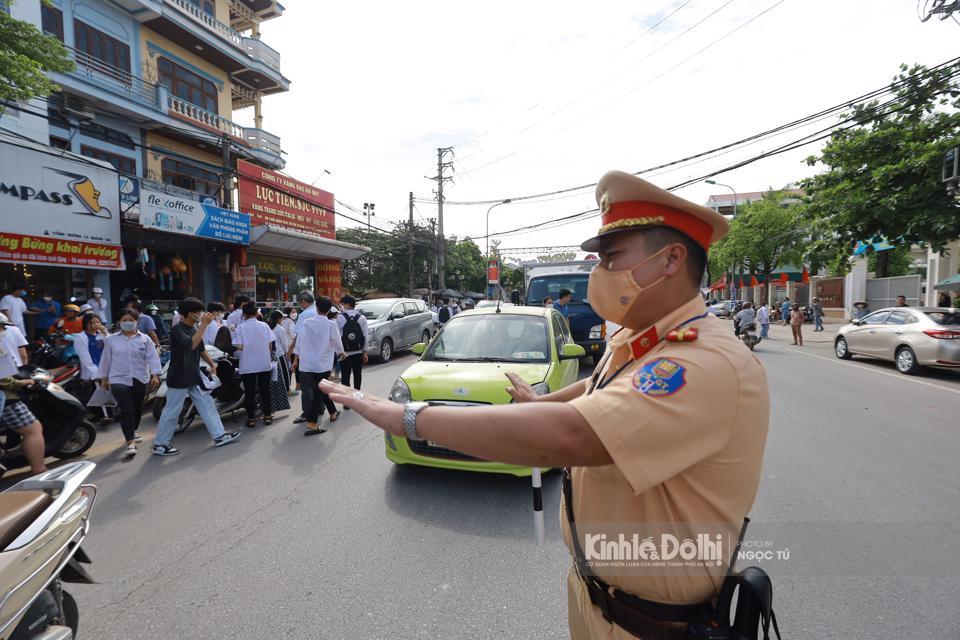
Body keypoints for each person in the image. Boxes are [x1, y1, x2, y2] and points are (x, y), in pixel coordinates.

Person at [320, 170, 769, 639]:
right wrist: (542, 401)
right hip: (600, 598)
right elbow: (599, 384)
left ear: (672, 259)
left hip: (655, 624)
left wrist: (406, 417)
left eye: (612, 257)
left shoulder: (702, 360)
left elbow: (571, 434)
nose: (599, 272)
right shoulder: (643, 342)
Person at [153, 298, 241, 456]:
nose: (202, 314)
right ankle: (160, 444)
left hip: (193, 375)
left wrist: (212, 363)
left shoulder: (193, 328)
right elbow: (191, 344)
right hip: (179, 377)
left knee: (208, 406)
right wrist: (204, 326)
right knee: (172, 411)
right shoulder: (178, 330)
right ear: (190, 314)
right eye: (199, 312)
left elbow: (200, 348)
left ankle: (219, 435)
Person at [97, 309, 162, 456]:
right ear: (119, 322)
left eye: (130, 320)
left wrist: (155, 375)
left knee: (137, 407)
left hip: (140, 378)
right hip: (118, 379)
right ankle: (130, 443)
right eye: (124, 320)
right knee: (127, 410)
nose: (127, 323)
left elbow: (152, 358)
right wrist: (103, 378)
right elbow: (105, 359)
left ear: (137, 322)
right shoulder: (111, 339)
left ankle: (133, 431)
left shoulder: (145, 339)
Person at [0, 313, 47, 474]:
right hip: (6, 397)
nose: (3, 331)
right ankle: (39, 470)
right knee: (32, 429)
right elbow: (3, 378)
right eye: (2, 327)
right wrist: (20, 382)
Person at [292, 296, 343, 436]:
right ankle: (312, 422)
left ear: (317, 308)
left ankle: (332, 412)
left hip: (307, 363)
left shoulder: (306, 323)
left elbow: (299, 342)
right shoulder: (331, 324)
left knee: (320, 389)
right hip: (322, 364)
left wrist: (296, 358)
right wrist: (342, 352)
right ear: (328, 310)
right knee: (319, 392)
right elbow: (337, 341)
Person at [232, 301, 276, 428]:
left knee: (249, 392)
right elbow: (270, 346)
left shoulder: (240, 327)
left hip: (247, 364)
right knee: (265, 390)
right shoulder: (264, 326)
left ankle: (251, 419)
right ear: (257, 313)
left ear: (244, 314)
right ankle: (267, 416)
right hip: (263, 362)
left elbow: (239, 346)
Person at [337, 295, 369, 403]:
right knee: (357, 374)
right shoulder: (362, 318)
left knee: (345, 376)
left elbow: (338, 336)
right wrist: (365, 352)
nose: (341, 306)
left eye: (342, 304)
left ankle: (347, 401)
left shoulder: (340, 318)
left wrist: (340, 352)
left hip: (345, 352)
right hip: (358, 351)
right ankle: (357, 398)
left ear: (348, 304)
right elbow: (365, 336)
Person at [268, 310, 292, 396]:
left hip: (271, 354)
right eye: (282, 318)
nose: (283, 319)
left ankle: (276, 391)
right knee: (284, 372)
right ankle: (287, 390)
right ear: (278, 319)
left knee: (274, 374)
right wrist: (287, 353)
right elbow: (284, 344)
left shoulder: (269, 327)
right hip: (280, 354)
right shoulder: (280, 329)